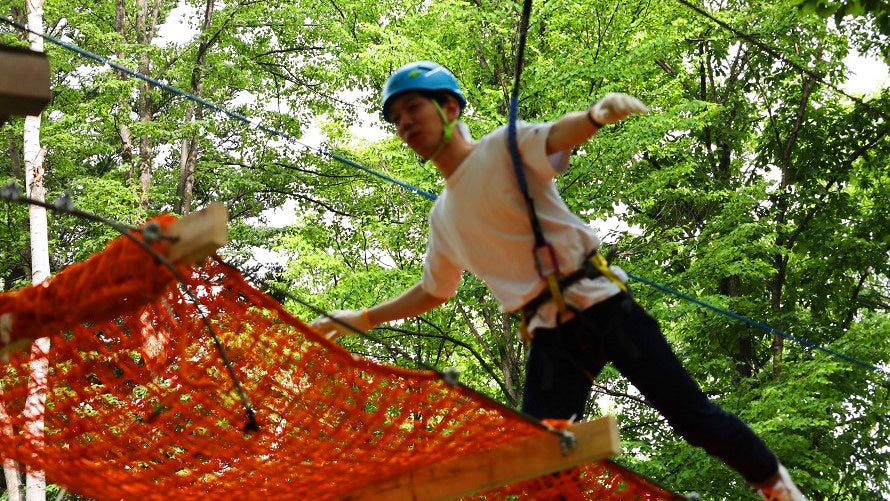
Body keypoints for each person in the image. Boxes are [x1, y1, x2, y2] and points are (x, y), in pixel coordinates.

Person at [312, 61, 807, 501]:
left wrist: (595, 117)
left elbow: (555, 136)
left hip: (603, 305)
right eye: (395, 118)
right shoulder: (443, 218)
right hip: (552, 334)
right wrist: (366, 316)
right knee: (539, 456)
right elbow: (435, 289)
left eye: (412, 108)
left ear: (449, 107)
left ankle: (776, 486)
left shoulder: (501, 149)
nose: (404, 124)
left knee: (692, 417)